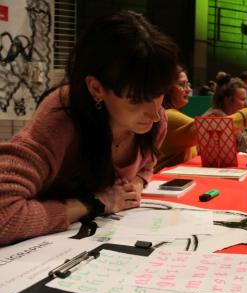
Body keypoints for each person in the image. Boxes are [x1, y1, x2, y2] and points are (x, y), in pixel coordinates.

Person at [0, 11, 178, 246]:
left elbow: (146, 164)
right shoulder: (62, 116)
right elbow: (4, 218)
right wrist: (92, 203)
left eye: (159, 93)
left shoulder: (155, 122)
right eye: (136, 100)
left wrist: (135, 184)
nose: (156, 114)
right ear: (96, 88)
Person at [155, 67, 247, 172]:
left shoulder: (174, 115)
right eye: (182, 84)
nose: (188, 89)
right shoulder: (167, 116)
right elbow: (210, 130)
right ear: (167, 88)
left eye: (188, 84)